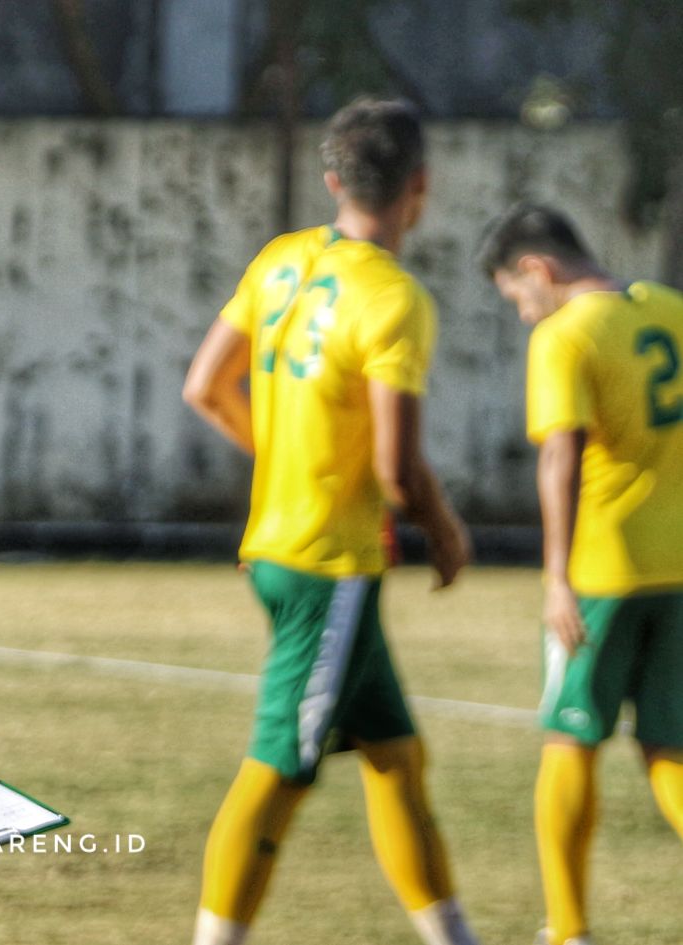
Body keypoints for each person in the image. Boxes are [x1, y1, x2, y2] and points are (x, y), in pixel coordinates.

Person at [182, 98, 479, 945]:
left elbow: (207, 385)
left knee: (395, 757)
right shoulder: (394, 297)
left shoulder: (282, 258)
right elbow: (395, 465)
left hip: (279, 546)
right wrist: (447, 530)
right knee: (279, 768)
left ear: (331, 179)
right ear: (419, 187)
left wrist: (280, 462)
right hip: (329, 562)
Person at [479, 204, 683, 945]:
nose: (524, 314)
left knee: (570, 738)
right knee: (670, 747)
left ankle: (567, 930)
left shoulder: (566, 335)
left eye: (517, 298)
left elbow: (560, 454)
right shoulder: (669, 308)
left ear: (538, 269)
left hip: (603, 569)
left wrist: (556, 577)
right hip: (679, 568)